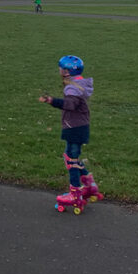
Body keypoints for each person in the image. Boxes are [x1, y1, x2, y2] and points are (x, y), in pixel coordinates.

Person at [38, 55, 101, 214]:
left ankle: (75, 194)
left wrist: (51, 100)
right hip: (80, 126)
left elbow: (70, 105)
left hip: (74, 127)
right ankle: (90, 187)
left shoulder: (72, 88)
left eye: (61, 68)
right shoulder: (79, 82)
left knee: (71, 160)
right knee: (72, 157)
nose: (59, 70)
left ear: (66, 72)